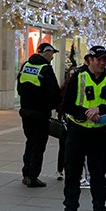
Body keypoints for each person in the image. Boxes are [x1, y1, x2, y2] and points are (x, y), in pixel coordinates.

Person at [62, 45, 106, 211]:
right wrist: (86, 112)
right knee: (72, 173)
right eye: (99, 59)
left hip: (98, 133)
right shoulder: (78, 77)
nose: (102, 63)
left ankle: (100, 210)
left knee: (98, 174)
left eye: (105, 59)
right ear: (89, 60)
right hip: (77, 130)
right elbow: (66, 105)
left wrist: (100, 110)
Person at [17, 42, 61, 187]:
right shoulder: (46, 69)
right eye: (52, 54)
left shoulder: (26, 66)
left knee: (30, 142)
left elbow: (19, 88)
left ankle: (26, 173)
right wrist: (55, 106)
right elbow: (54, 92)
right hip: (40, 114)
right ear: (46, 52)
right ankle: (32, 176)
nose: (52, 58)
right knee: (39, 145)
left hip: (26, 112)